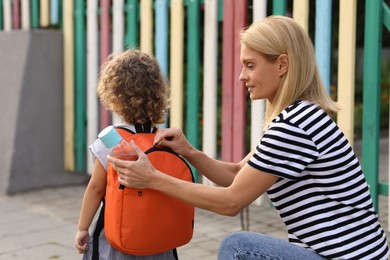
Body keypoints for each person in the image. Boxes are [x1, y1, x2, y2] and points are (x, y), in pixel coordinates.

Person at [107, 16, 390, 260]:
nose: (242, 76)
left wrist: (152, 178)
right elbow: (236, 175)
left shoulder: (295, 126)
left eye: (250, 65)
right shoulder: (301, 116)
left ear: (282, 65)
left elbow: (230, 201)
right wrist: (189, 151)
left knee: (239, 247)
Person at [74, 49, 178, 259]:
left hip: (120, 237)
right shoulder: (165, 140)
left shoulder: (112, 141)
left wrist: (82, 228)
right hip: (160, 237)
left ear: (114, 95)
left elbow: (95, 189)